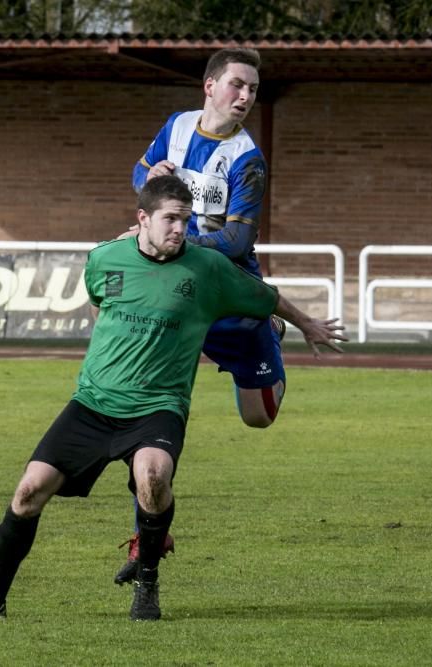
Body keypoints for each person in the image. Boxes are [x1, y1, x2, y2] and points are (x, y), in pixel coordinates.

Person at [0, 175, 346, 621]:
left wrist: (307, 324)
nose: (179, 229)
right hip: (93, 404)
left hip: (158, 408)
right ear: (142, 219)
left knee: (153, 478)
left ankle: (147, 584)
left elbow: (267, 297)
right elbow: (99, 303)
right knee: (28, 492)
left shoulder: (207, 269)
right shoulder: (103, 258)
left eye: (186, 221)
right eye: (170, 219)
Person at [114, 47, 287, 586]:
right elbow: (141, 176)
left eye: (253, 90)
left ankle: (271, 332)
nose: (245, 97)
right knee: (145, 411)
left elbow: (236, 241)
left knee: (258, 418)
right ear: (209, 86)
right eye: (237, 84)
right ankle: (150, 529)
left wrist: (173, 239)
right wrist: (151, 172)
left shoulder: (247, 158)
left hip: (229, 290)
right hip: (176, 288)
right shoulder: (178, 125)